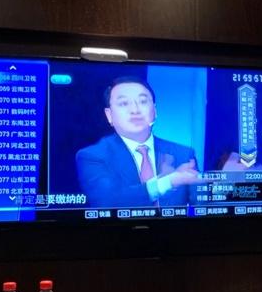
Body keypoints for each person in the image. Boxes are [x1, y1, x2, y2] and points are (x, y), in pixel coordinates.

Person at [76, 78, 204, 209]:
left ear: (155, 111)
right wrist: (168, 182)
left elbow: (201, 205)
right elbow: (108, 201)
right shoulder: (93, 156)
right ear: (109, 115)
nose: (135, 110)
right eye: (124, 103)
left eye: (143, 101)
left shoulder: (182, 154)